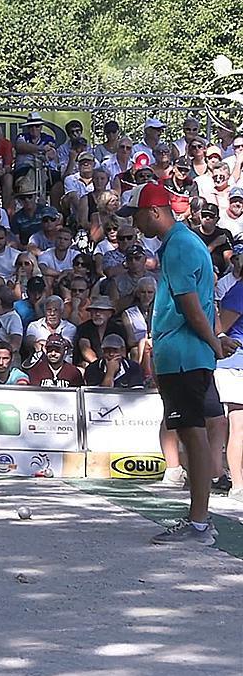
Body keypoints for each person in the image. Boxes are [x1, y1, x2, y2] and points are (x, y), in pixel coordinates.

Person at [119, 181, 235, 545]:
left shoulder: (179, 247)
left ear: (154, 211)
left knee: (193, 436)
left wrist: (214, 342)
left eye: (136, 215)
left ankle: (199, 522)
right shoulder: (185, 244)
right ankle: (199, 519)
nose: (135, 224)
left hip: (183, 357)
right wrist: (216, 338)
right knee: (194, 434)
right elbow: (204, 302)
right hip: (187, 355)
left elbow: (189, 304)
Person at [214, 280, 243, 502]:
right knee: (239, 425)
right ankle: (238, 485)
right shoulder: (240, 290)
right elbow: (220, 328)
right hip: (235, 364)